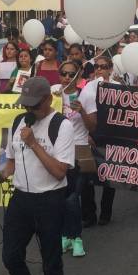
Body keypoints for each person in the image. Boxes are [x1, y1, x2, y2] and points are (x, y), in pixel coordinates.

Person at [0, 77, 76, 275]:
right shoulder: (19, 120)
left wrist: (34, 144)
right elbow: (10, 161)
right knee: (10, 256)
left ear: (48, 100)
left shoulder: (61, 125)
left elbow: (60, 171)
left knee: (51, 263)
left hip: (50, 199)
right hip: (21, 198)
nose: (30, 109)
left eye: (35, 104)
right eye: (26, 104)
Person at [53, 60, 89, 257]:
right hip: (57, 152)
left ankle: (77, 238)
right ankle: (66, 235)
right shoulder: (53, 92)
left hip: (79, 150)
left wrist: (82, 110)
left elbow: (93, 126)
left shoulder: (85, 95)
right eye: (64, 74)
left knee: (73, 197)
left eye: (71, 74)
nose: (67, 78)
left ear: (78, 75)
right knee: (61, 196)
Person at [79, 55, 116, 227]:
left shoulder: (119, 88)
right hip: (92, 135)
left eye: (104, 66)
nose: (100, 69)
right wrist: (85, 134)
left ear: (110, 68)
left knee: (110, 178)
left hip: (112, 137)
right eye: (97, 67)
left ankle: (105, 213)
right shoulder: (88, 89)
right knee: (87, 177)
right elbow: (80, 115)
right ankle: (89, 214)